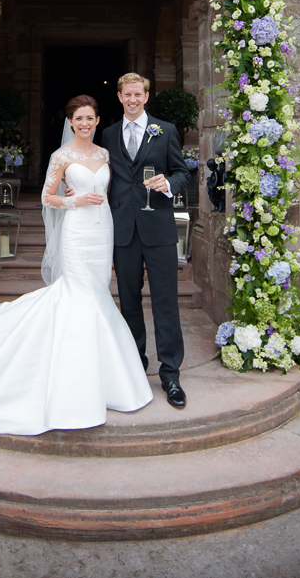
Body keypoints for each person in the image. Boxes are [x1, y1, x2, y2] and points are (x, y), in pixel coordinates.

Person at [0, 94, 152, 436]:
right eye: (78, 118)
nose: (84, 123)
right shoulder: (61, 156)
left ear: (98, 121)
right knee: (79, 297)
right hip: (77, 231)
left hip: (104, 232)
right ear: (70, 122)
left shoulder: (105, 154)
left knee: (99, 294)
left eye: (90, 118)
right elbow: (46, 197)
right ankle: (75, 381)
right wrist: (75, 200)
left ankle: (103, 376)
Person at [101, 74, 189, 409]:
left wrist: (169, 184)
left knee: (166, 301)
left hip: (159, 229)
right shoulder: (108, 134)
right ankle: (135, 365)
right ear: (120, 97)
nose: (133, 99)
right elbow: (101, 175)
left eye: (138, 94)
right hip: (123, 230)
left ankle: (171, 373)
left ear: (146, 96)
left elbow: (182, 172)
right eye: (127, 94)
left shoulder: (165, 130)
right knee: (128, 302)